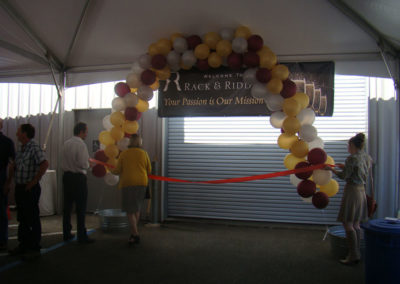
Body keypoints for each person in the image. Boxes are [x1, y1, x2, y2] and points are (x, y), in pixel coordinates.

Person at [325, 133, 369, 265]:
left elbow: (344, 177)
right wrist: (343, 167)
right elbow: (358, 171)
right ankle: (357, 252)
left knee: (347, 223)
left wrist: (331, 170)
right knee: (356, 223)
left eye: (348, 145)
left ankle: (353, 254)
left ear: (352, 145)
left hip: (352, 191)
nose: (347, 147)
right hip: (361, 191)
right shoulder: (365, 157)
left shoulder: (351, 159)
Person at [9, 123, 48, 257]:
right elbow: (15, 165)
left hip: (29, 188)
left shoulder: (34, 147)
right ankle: (23, 244)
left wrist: (33, 182)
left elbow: (44, 164)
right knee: (22, 217)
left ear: (25, 134)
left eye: (19, 132)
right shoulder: (21, 148)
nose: (16, 134)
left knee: (32, 217)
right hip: (20, 187)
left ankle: (34, 246)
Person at [111, 134, 151, 245]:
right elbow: (149, 169)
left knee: (129, 211)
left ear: (130, 142)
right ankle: (133, 233)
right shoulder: (144, 153)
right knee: (136, 208)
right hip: (142, 183)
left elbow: (117, 170)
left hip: (128, 183)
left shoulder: (124, 154)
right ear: (139, 142)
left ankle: (136, 234)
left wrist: (110, 170)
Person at [62, 122, 94, 244]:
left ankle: (66, 233)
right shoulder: (81, 145)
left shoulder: (66, 143)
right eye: (86, 131)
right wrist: (89, 165)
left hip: (67, 177)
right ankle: (82, 235)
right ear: (81, 132)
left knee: (67, 207)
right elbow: (82, 163)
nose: (86, 134)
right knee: (81, 208)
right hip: (78, 178)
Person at [0, 118, 16, 251]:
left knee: (2, 211)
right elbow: (12, 164)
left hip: (1, 178)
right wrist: (8, 182)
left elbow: (12, 164)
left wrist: (8, 182)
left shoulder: (6, 142)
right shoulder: (7, 142)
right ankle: (2, 240)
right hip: (2, 178)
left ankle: (3, 240)